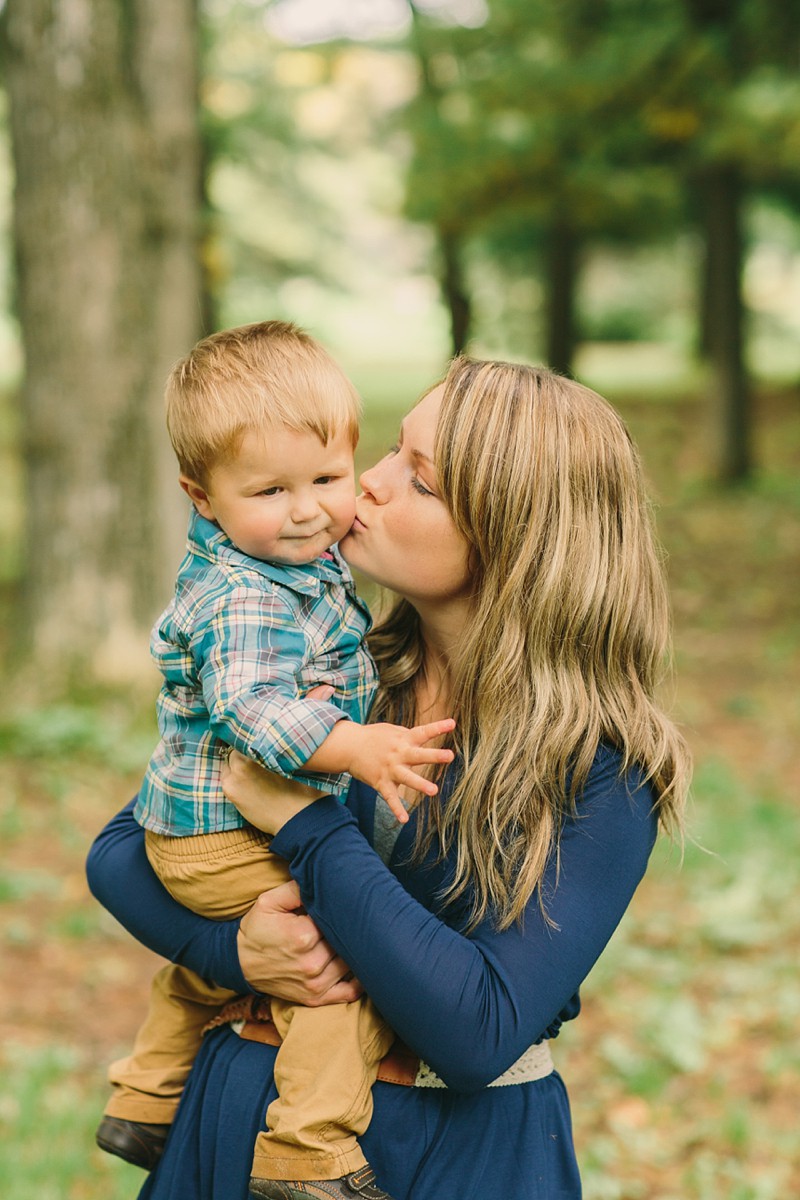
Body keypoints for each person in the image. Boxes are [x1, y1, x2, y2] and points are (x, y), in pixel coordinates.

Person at [87, 356, 691, 1200]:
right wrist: (236, 952)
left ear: (514, 535)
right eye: (389, 452)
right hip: (234, 1125)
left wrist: (306, 827)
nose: (366, 484)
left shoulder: (602, 768)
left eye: (420, 480)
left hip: (446, 1157)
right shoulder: (340, 674)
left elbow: (478, 1028)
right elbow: (122, 851)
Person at [95, 320, 454, 1200]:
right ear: (201, 495)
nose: (308, 510)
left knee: (249, 954)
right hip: (222, 837)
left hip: (190, 831)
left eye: (327, 479)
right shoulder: (247, 595)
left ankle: (145, 1091)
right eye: (270, 490)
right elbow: (255, 710)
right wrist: (355, 747)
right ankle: (307, 1148)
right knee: (342, 974)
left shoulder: (283, 561)